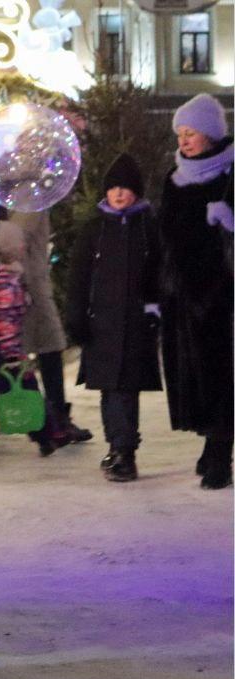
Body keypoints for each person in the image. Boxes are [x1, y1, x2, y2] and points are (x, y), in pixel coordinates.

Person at [66, 154, 163, 483]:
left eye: (126, 188)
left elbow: (160, 273)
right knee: (110, 388)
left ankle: (124, 451)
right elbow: (79, 277)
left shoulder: (148, 228)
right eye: (114, 187)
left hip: (135, 322)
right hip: (101, 324)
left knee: (125, 387)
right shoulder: (95, 229)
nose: (119, 193)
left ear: (136, 192)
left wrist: (155, 307)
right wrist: (77, 316)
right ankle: (117, 447)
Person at [158, 93, 234, 490]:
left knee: (224, 373)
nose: (185, 141)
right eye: (181, 133)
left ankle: (221, 452)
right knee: (195, 376)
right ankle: (211, 441)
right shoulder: (174, 178)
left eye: (192, 133)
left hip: (224, 294)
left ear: (211, 134)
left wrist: (230, 221)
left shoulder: (230, 176)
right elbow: (163, 238)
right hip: (183, 297)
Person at [0, 216, 66, 455]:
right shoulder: (4, 278)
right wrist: (13, 355)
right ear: (8, 248)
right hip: (1, 346)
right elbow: (4, 318)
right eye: (18, 244)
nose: (23, 247)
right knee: (25, 387)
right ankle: (46, 433)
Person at [13, 210, 94, 443]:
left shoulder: (16, 197)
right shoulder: (28, 198)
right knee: (44, 348)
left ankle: (52, 421)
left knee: (34, 351)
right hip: (26, 288)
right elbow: (17, 239)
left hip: (25, 285)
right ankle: (52, 422)